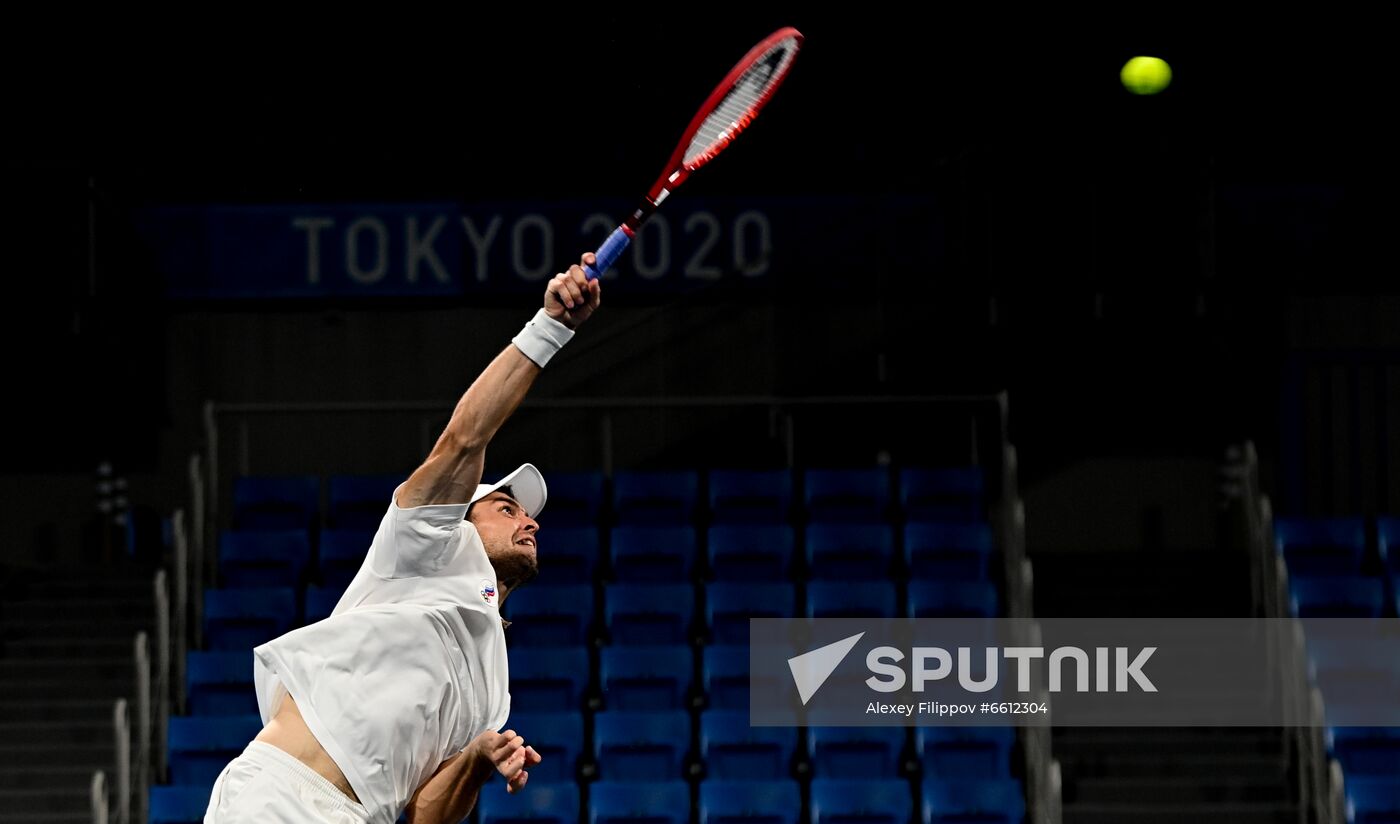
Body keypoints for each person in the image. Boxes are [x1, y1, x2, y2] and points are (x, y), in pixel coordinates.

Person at [203, 253, 603, 824]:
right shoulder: (424, 550)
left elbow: (423, 816)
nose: (528, 522)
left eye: (528, 515)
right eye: (507, 507)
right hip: (281, 800)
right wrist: (551, 328)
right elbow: (466, 438)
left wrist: (478, 759)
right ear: (459, 517)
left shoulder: (494, 692)